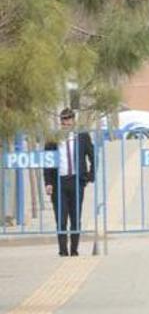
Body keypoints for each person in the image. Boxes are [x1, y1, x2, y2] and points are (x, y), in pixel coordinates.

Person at [44, 108, 95, 257]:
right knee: (60, 217)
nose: (66, 122)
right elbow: (47, 162)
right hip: (59, 182)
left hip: (76, 181)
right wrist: (48, 182)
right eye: (63, 119)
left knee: (75, 217)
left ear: (73, 120)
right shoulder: (53, 138)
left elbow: (92, 156)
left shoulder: (82, 136)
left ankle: (74, 250)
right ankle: (63, 251)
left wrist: (89, 176)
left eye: (68, 119)